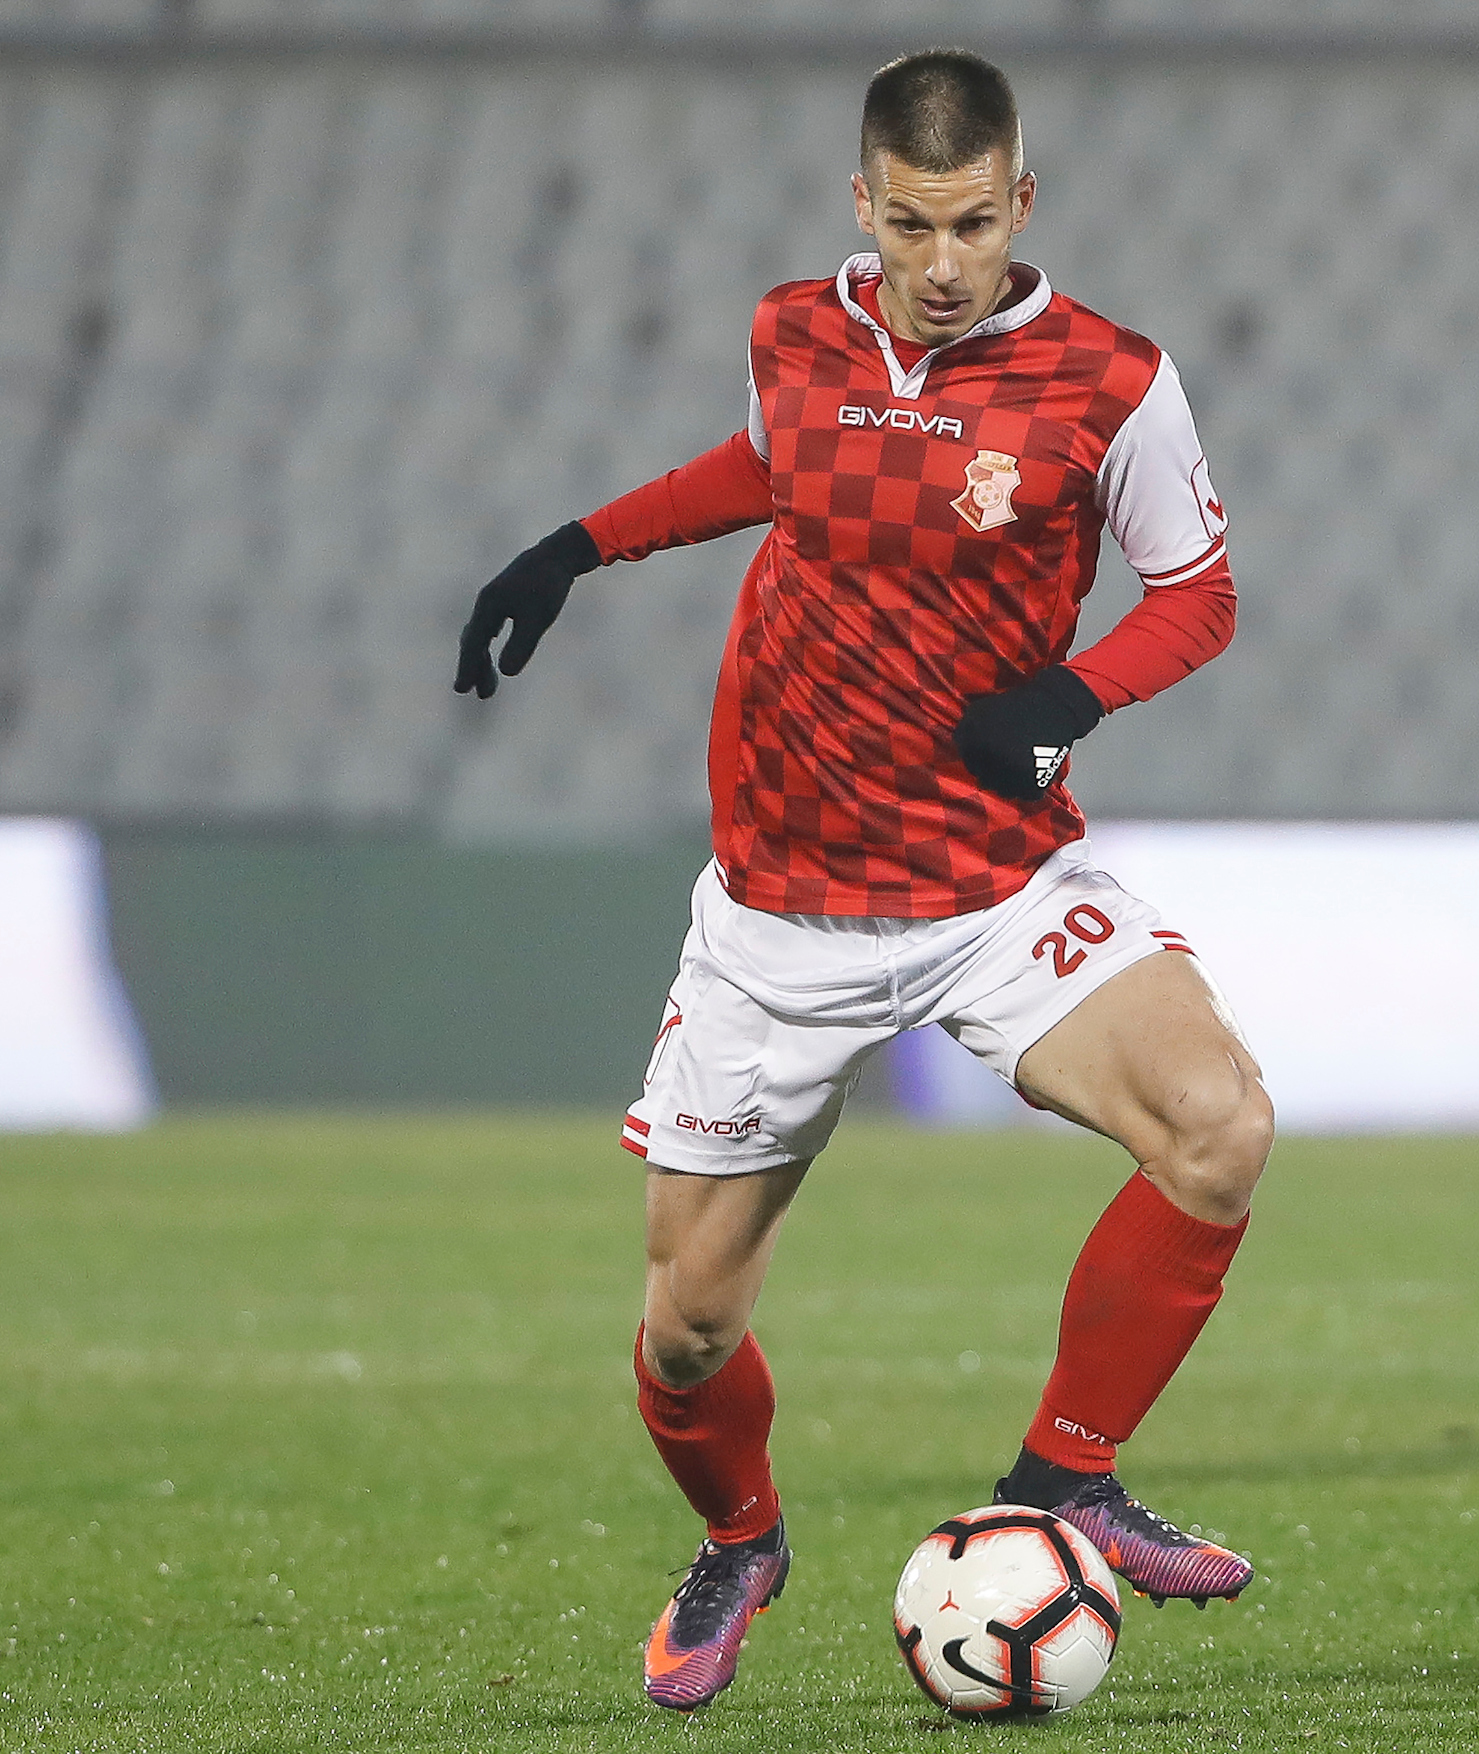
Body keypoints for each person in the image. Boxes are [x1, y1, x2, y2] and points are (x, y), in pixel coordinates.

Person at [455, 49, 1273, 1709]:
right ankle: (742, 1539)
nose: (947, 258)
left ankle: (1065, 1482)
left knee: (1221, 1124)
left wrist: (1076, 692)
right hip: (780, 917)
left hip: (993, 892)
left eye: (975, 221)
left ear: (1023, 202)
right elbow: (772, 468)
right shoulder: (794, 331)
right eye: (914, 223)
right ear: (864, 206)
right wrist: (578, 546)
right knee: (684, 1329)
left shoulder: (1113, 381)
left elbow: (1199, 593)